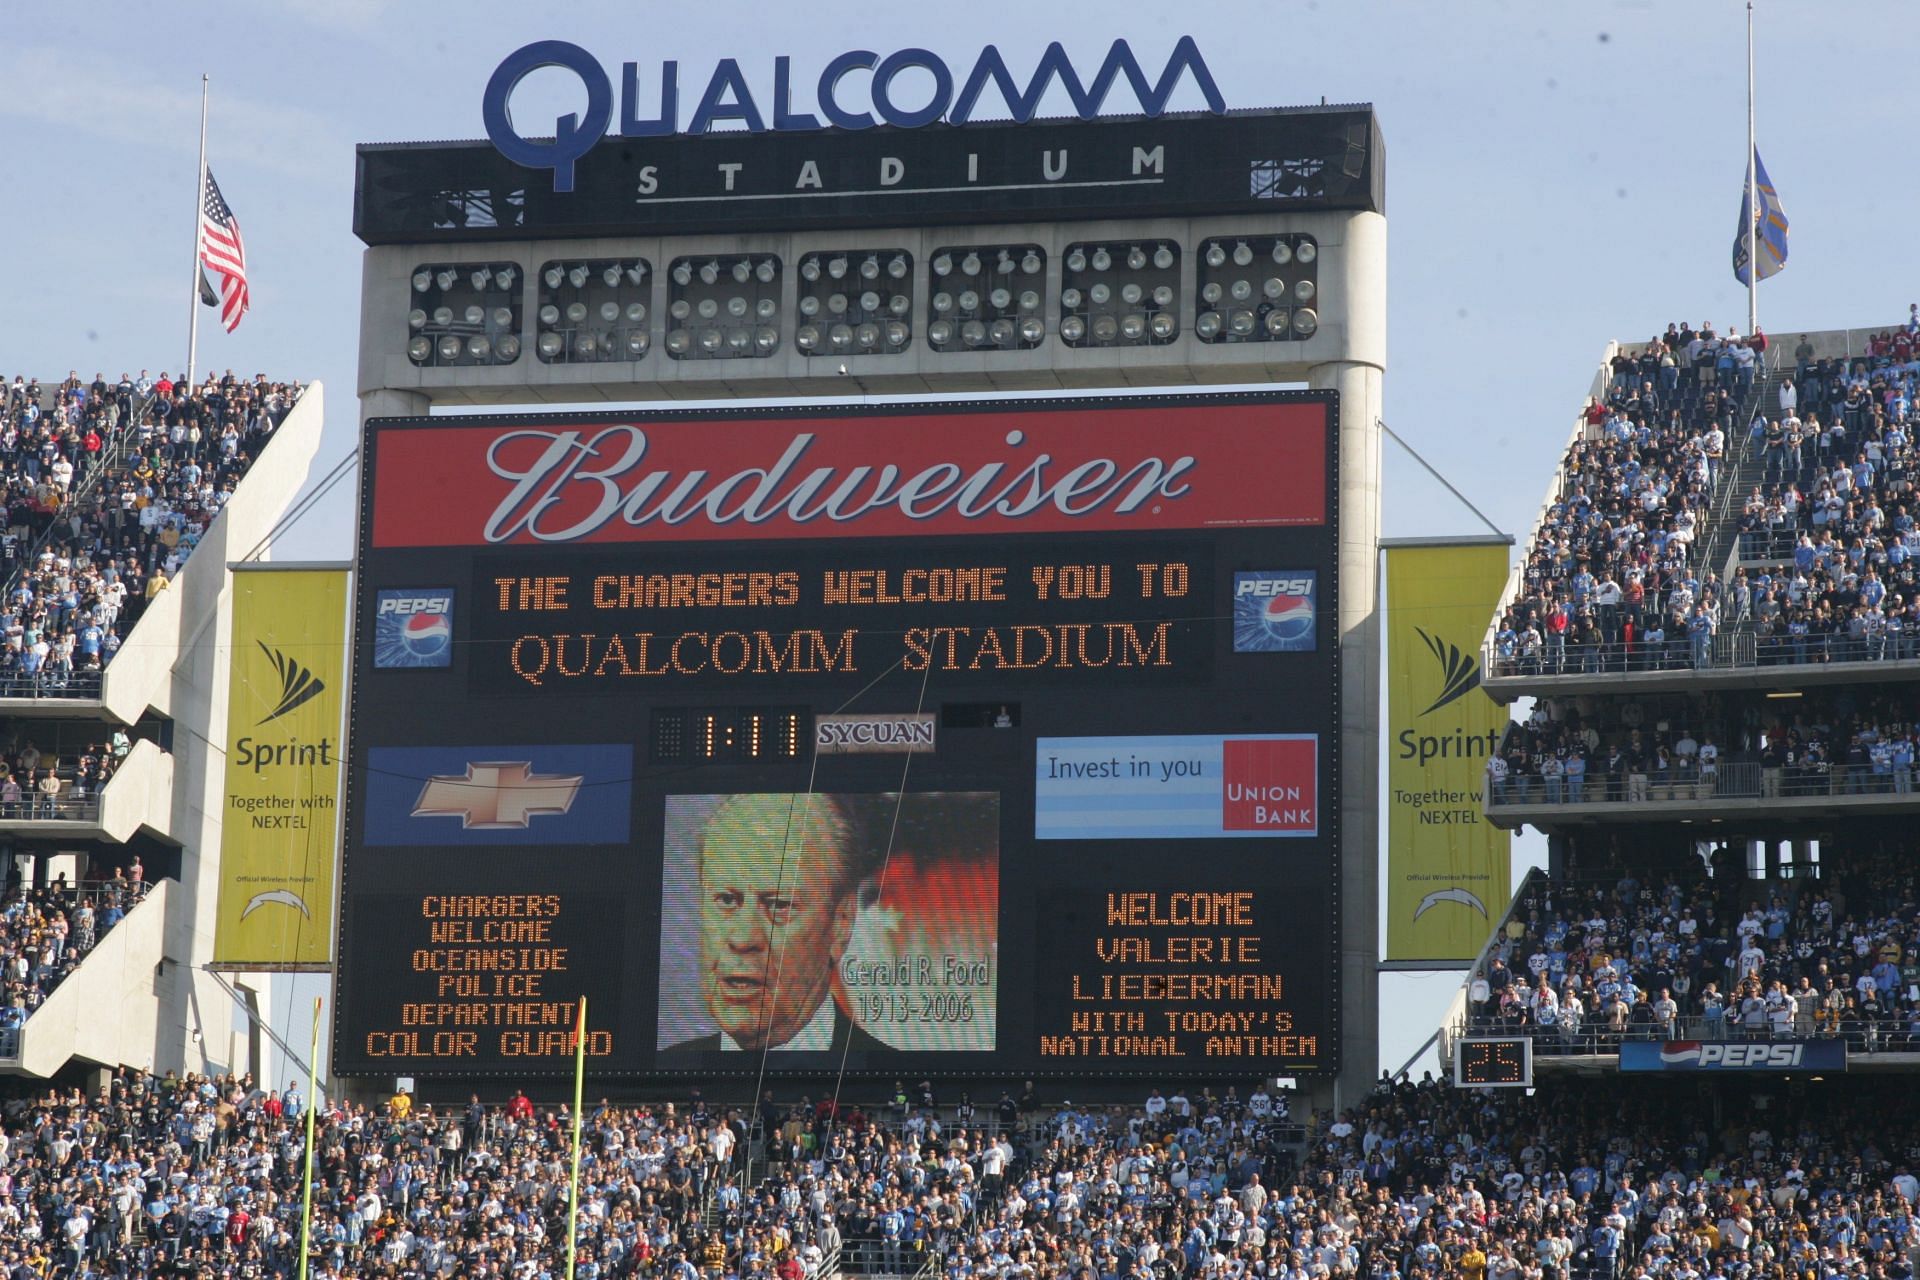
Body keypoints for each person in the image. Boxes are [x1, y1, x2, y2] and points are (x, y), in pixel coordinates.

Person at [662, 794, 888, 1055]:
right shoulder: (667, 1071)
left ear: (841, 924)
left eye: (779, 905)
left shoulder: (890, 1072)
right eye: (726, 900)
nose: (743, 939)